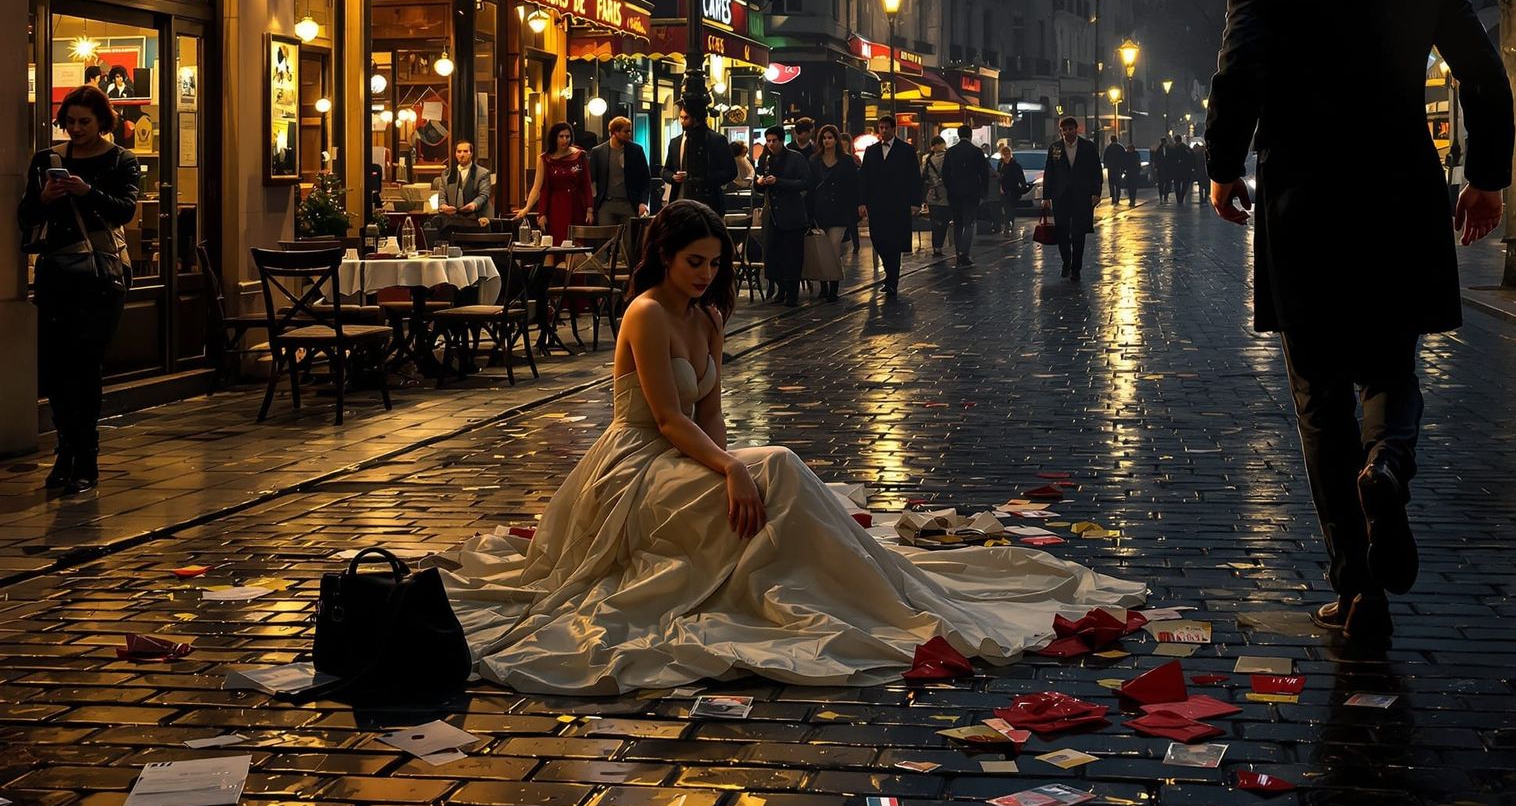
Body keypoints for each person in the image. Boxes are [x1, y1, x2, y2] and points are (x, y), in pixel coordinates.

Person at [441, 200, 1145, 692]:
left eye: (715, 262)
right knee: (771, 464)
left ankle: (866, 581)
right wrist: (730, 470)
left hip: (685, 456)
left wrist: (728, 470)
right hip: (634, 463)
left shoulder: (707, 315)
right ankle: (847, 577)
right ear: (662, 255)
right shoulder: (647, 314)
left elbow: (710, 417)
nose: (706, 273)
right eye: (694, 260)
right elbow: (665, 417)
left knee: (770, 466)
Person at [1206, 0, 1512, 644]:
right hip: (1399, 194)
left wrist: (1223, 167)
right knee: (1391, 363)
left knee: (1317, 397)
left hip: (1304, 198)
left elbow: (1239, 70)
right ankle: (1391, 463)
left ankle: (1354, 591)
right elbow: (1482, 71)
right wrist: (1487, 175)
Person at [17, 86, 140, 494]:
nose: (75, 129)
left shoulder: (120, 159)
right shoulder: (47, 160)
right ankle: (65, 449)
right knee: (53, 367)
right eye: (69, 121)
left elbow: (125, 209)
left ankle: (86, 457)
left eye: (84, 122)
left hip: (100, 276)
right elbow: (25, 218)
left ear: (101, 121)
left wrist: (87, 192)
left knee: (85, 365)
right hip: (56, 272)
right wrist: (44, 197)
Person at [859, 114, 921, 298]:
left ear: (894, 129)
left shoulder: (906, 150)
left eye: (887, 128)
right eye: (881, 128)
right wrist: (862, 201)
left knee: (894, 241)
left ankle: (892, 280)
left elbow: (914, 177)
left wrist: (915, 202)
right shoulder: (871, 151)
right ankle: (889, 272)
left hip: (898, 203)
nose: (883, 131)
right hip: (877, 204)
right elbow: (864, 178)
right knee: (878, 239)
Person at [1041, 115, 1103, 281]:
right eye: (1064, 130)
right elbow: (1049, 172)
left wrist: (1096, 193)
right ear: (1061, 131)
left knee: (1078, 232)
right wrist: (1046, 196)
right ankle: (1066, 261)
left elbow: (1096, 171)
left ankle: (1076, 267)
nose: (1068, 132)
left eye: (1071, 129)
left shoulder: (1088, 147)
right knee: (1062, 232)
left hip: (1081, 196)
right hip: (1060, 196)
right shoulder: (1054, 148)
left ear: (1077, 129)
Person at [755, 125, 811, 306]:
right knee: (773, 254)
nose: (771, 144)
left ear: (781, 141)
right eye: (768, 141)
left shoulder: (795, 158)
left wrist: (779, 182)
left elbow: (805, 182)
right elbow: (758, 185)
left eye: (774, 141)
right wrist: (760, 182)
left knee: (792, 256)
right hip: (772, 214)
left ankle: (792, 293)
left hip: (791, 214)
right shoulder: (766, 158)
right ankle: (780, 289)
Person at [517, 122, 593, 245]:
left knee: (576, 241)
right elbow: (538, 187)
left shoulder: (580, 155)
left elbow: (587, 184)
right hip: (556, 205)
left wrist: (589, 209)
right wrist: (529, 209)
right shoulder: (545, 159)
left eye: (567, 136)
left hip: (577, 204)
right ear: (554, 138)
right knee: (557, 240)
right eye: (561, 136)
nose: (565, 140)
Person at [807, 124, 859, 301]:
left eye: (830, 137)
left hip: (840, 210)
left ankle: (834, 285)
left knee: (833, 246)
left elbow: (854, 185)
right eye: (824, 137)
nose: (827, 141)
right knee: (821, 248)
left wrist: (856, 207)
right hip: (819, 209)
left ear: (836, 139)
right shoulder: (814, 160)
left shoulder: (846, 160)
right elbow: (810, 185)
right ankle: (823, 284)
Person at [663, 99, 736, 214]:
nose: (682, 121)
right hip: (680, 198)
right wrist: (672, 177)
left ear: (695, 119)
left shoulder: (716, 140)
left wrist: (706, 180)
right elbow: (665, 170)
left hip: (709, 200)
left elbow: (731, 171)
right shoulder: (675, 142)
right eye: (681, 118)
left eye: (686, 118)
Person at [941, 124, 990, 268]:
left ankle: (958, 254)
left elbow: (945, 173)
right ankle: (964, 253)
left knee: (958, 224)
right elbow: (984, 173)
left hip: (955, 193)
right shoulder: (976, 151)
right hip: (972, 192)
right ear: (970, 135)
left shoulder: (951, 151)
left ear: (958, 134)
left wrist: (950, 188)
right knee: (969, 223)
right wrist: (983, 192)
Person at [427, 140, 492, 245]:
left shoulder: (482, 173)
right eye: (459, 151)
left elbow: (483, 195)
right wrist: (444, 207)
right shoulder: (447, 174)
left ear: (471, 153)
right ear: (455, 154)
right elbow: (442, 197)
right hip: (453, 221)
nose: (462, 154)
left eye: (465, 151)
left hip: (475, 219)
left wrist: (473, 205)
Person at [590, 116, 650, 228]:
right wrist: (591, 206)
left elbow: (645, 179)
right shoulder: (598, 152)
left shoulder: (636, 151)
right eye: (626, 131)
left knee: (628, 242)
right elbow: (591, 180)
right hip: (606, 204)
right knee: (606, 240)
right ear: (615, 132)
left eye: (630, 131)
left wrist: (643, 202)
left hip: (629, 203)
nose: (629, 134)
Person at [920, 137, 952, 256]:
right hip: (945, 193)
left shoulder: (926, 159)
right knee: (944, 221)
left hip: (931, 194)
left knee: (935, 221)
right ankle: (939, 246)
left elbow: (923, 175)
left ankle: (936, 247)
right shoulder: (948, 157)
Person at [996, 141, 1028, 233]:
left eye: (1007, 153)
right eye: (1004, 153)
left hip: (1013, 189)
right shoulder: (1000, 164)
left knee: (1011, 208)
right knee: (1006, 208)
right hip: (1004, 189)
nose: (1006, 155)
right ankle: (1007, 224)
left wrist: (1023, 185)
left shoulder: (1016, 165)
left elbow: (1020, 176)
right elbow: (999, 177)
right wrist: (1000, 187)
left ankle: (1010, 222)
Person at [1103, 134, 1126, 205]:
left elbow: (1105, 158)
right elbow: (1124, 158)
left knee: (1111, 184)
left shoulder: (1108, 148)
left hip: (1111, 169)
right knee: (1118, 184)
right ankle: (1117, 198)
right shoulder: (1121, 147)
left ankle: (1113, 198)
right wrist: (1123, 168)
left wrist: (1106, 165)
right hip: (1118, 168)